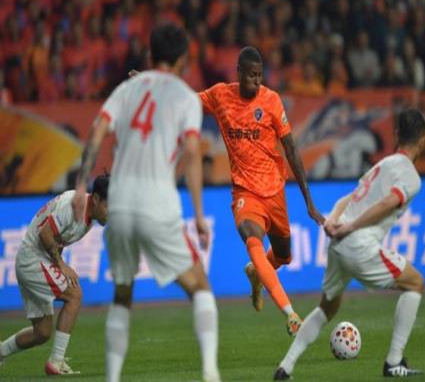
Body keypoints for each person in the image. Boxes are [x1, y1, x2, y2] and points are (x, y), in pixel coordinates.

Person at [71, 23, 221, 382]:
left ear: (151, 55)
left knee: (122, 294)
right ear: (183, 60)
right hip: (158, 202)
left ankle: (112, 378)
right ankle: (210, 372)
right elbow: (191, 154)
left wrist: (79, 186)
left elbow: (97, 131)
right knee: (200, 288)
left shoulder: (126, 89)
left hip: (119, 204)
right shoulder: (186, 98)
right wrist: (199, 215)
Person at [274, 108, 425, 379]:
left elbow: (350, 197)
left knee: (327, 308)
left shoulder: (383, 165)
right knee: (415, 283)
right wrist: (351, 227)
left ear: (396, 135)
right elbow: (388, 202)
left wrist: (332, 221)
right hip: (357, 243)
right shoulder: (410, 177)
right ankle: (393, 362)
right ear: (422, 140)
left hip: (337, 243)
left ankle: (286, 366)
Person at [199, 46, 324, 336]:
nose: (256, 81)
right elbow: (183, 101)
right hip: (245, 193)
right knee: (252, 239)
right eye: (251, 75)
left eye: (260, 75)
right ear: (239, 72)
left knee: (283, 256)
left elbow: (291, 150)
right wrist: (152, 85)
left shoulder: (271, 101)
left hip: (275, 192)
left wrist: (309, 201)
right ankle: (290, 313)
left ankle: (257, 273)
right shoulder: (220, 96)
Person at [0, 174, 109, 375]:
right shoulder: (73, 205)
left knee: (41, 333)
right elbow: (46, 234)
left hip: (36, 260)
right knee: (74, 295)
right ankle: (56, 362)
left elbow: (57, 239)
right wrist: (61, 265)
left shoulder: (88, 220)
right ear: (95, 198)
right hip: (33, 260)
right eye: (109, 206)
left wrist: (58, 263)